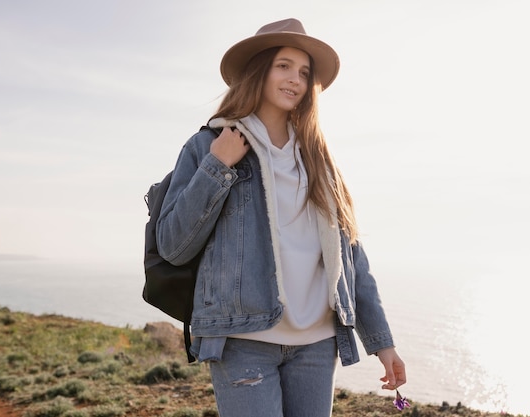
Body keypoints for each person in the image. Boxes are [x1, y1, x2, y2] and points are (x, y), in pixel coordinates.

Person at [157, 18, 406, 417]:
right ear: (258, 70)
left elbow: (351, 260)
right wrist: (218, 166)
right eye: (284, 66)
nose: (296, 79)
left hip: (317, 345)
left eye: (305, 72)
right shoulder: (208, 145)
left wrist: (382, 342)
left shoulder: (319, 159)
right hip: (243, 341)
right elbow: (173, 244)